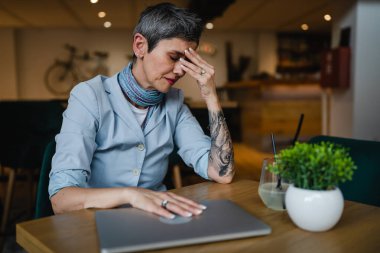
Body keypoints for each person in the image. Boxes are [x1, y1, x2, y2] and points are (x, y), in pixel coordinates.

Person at [49, 2, 234, 220]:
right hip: (96, 220)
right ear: (140, 46)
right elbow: (61, 199)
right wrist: (130, 195)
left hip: (156, 220)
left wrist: (211, 96)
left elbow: (222, 173)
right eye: (174, 57)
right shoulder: (89, 96)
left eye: (186, 61)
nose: (180, 70)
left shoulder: (175, 103)